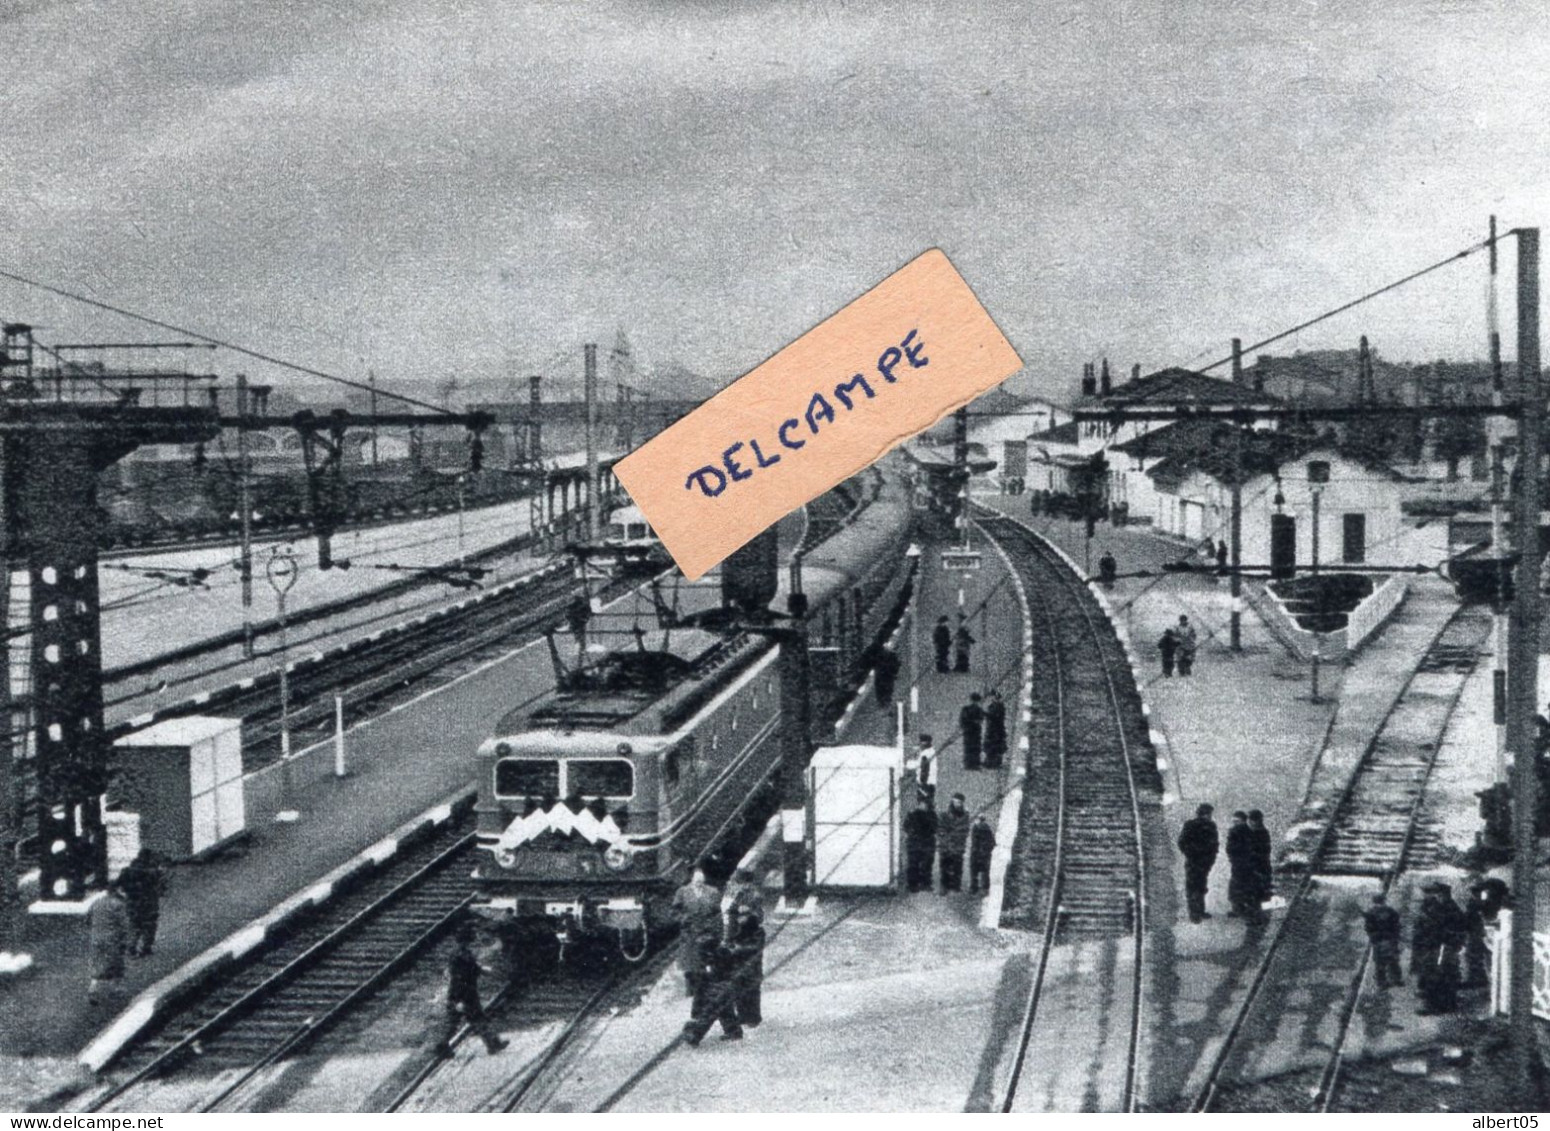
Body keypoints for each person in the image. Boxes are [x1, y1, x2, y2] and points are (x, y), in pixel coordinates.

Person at [435, 920, 509, 1055]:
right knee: (470, 1020)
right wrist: (458, 999)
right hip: (464, 992)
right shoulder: (462, 954)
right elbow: (461, 976)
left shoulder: (461, 952)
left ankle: (493, 1043)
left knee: (466, 1020)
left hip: (465, 991)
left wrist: (480, 969)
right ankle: (492, 1044)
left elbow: (469, 969)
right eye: (472, 937)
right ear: (467, 939)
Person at [1411, 881, 1467, 1015]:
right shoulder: (1447, 906)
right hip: (1441, 946)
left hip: (1443, 946)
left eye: (1437, 894)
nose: (1436, 897)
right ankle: (1444, 1004)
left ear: (1443, 894)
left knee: (1438, 975)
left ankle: (1435, 1006)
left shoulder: (1448, 908)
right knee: (1443, 975)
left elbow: (1450, 927)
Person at [671, 865, 723, 996]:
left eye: (701, 881)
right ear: (692, 880)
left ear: (704, 880)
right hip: (689, 932)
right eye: (696, 881)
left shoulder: (713, 892)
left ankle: (706, 989)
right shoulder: (682, 892)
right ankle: (690, 990)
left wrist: (716, 929)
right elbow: (674, 911)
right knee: (689, 963)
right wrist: (684, 919)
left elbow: (718, 912)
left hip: (707, 931)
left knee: (707, 962)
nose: (699, 883)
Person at [682, 935, 743, 1046]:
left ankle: (696, 1034)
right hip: (725, 985)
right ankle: (733, 1031)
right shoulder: (719, 954)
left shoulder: (719, 956)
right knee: (724, 1009)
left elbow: (715, 974)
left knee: (711, 1011)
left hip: (722, 985)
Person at [117, 849, 167, 958]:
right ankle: (146, 948)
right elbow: (160, 885)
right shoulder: (152, 871)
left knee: (134, 925)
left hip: (131, 902)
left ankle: (131, 948)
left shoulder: (127, 870)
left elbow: (118, 884)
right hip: (148, 902)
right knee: (149, 925)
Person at [87, 882, 131, 1005]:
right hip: (112, 939)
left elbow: (88, 919)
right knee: (116, 963)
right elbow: (124, 924)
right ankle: (116, 989)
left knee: (97, 963)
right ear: (117, 890)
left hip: (96, 937)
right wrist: (125, 940)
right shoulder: (118, 904)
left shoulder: (97, 902)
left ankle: (93, 988)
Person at [724, 906, 766, 1028]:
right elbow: (729, 942)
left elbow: (755, 947)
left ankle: (753, 1018)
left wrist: (737, 949)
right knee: (739, 992)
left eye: (742, 916)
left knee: (752, 993)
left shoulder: (758, 931)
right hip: (738, 967)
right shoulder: (737, 930)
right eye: (738, 916)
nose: (739, 919)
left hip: (752, 968)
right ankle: (742, 1016)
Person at [1176, 803, 1219, 923]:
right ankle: (1195, 914)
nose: (1211, 816)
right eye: (1209, 814)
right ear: (1205, 813)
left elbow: (1181, 842)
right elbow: (1182, 842)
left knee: (1197, 887)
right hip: (1198, 862)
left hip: (1198, 862)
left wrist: (1191, 854)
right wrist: (1196, 855)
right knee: (1196, 887)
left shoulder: (1197, 825)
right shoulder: (1208, 826)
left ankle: (1198, 912)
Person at [1363, 893, 1404, 989]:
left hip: (1378, 940)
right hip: (1390, 939)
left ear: (1374, 902)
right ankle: (1396, 979)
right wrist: (1395, 937)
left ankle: (1381, 983)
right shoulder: (1391, 911)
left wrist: (1373, 938)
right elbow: (1397, 925)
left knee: (1379, 962)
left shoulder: (1370, 912)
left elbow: (1368, 928)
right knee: (1393, 960)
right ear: (1384, 901)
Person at [1225, 811, 1260, 921]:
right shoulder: (1245, 832)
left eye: (1237, 821)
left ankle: (1243, 909)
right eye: (1233, 822)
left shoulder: (1247, 833)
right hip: (1239, 865)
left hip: (1244, 865)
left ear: (1244, 821)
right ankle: (1240, 909)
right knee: (1238, 887)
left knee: (1242, 887)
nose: (1235, 824)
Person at [903, 795, 938, 893]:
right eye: (924, 804)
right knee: (913, 864)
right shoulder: (912, 815)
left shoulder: (932, 815)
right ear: (919, 804)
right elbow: (906, 827)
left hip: (928, 843)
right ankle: (913, 885)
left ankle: (926, 884)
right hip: (915, 843)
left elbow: (935, 828)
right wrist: (912, 833)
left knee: (927, 864)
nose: (925, 806)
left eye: (927, 804)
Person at [937, 794, 970, 894]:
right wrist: (944, 834)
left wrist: (958, 834)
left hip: (958, 845)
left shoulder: (965, 815)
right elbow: (940, 828)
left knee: (957, 866)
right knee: (944, 865)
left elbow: (966, 829)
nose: (957, 804)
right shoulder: (944, 815)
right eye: (955, 802)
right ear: (952, 801)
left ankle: (956, 886)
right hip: (945, 844)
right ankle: (944, 886)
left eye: (959, 802)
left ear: (962, 803)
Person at [1461, 883, 1492, 989]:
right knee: (1473, 957)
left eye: (1477, 893)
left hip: (1477, 935)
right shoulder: (1474, 905)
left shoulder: (1477, 905)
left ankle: (1477, 980)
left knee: (1475, 956)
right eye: (1475, 894)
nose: (1476, 895)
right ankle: (1476, 979)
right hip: (1474, 934)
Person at [723, 866, 764, 936]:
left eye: (741, 884)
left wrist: (748, 911)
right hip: (738, 920)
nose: (740, 887)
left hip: (749, 920)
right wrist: (733, 910)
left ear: (748, 883)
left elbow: (759, 914)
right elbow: (733, 906)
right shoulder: (740, 894)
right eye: (739, 884)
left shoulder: (755, 895)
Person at [1247, 810, 1274, 913]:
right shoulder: (1258, 832)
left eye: (1252, 820)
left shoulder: (1260, 833)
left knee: (1260, 889)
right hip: (1259, 865)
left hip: (1260, 866)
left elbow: (1263, 852)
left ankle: (1261, 911)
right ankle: (1260, 910)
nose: (1250, 822)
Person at [969, 815, 996, 895]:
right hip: (984, 853)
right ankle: (983, 888)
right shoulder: (988, 828)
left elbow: (975, 842)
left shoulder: (976, 827)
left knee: (975, 870)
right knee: (985, 871)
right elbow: (993, 842)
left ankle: (975, 887)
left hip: (978, 852)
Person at [982, 690, 1007, 770]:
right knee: (992, 744)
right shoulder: (996, 705)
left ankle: (992, 762)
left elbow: (994, 717)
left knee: (993, 744)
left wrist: (985, 714)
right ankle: (991, 761)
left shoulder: (998, 706)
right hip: (993, 728)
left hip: (995, 729)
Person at [960, 693, 985, 771]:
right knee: (974, 747)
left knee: (970, 747)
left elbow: (962, 720)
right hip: (974, 731)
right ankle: (973, 764)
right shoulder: (978, 710)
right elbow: (981, 720)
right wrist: (975, 722)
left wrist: (965, 726)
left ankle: (969, 764)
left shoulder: (966, 709)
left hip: (970, 731)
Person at [910, 734, 937, 804]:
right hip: (930, 783)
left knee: (923, 803)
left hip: (925, 783)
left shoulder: (925, 753)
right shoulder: (932, 752)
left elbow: (923, 768)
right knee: (929, 802)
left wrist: (922, 782)